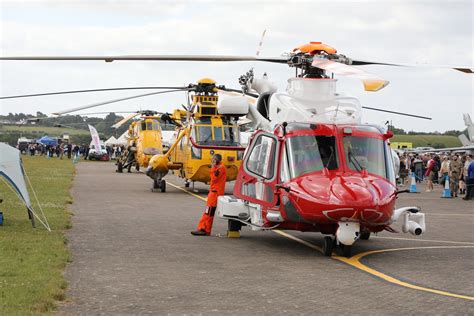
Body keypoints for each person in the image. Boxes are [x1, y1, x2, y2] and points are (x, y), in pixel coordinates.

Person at [191, 154, 227, 236]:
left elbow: (214, 179)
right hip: (214, 192)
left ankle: (204, 229)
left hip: (215, 193)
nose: (212, 161)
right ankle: (205, 229)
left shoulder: (220, 168)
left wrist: (213, 167)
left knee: (208, 212)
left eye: (213, 160)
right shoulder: (220, 167)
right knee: (209, 212)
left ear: (216, 160)